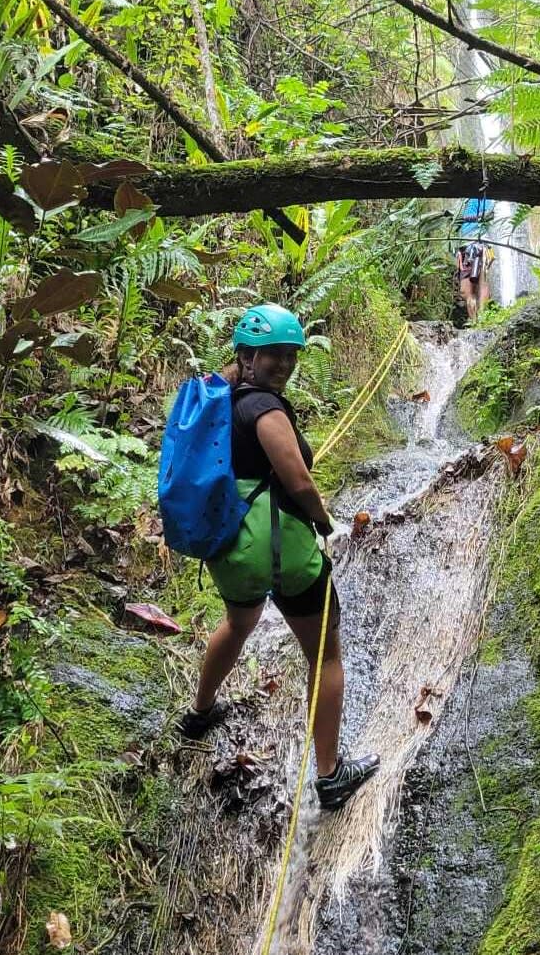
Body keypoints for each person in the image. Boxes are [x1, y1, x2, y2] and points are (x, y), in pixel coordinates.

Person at [179, 303, 380, 810]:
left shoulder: (220, 398)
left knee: (238, 623)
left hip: (231, 548)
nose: (284, 365)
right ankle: (331, 774)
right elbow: (296, 480)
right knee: (326, 657)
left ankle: (200, 712)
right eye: (274, 356)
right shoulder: (265, 409)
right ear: (247, 356)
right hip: (281, 551)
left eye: (291, 356)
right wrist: (323, 521)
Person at [455, 197, 494, 323]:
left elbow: (489, 214)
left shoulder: (484, 197)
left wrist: (467, 218)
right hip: (464, 246)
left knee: (482, 283)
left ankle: (481, 321)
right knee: (466, 291)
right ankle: (474, 321)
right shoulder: (463, 202)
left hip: (480, 242)